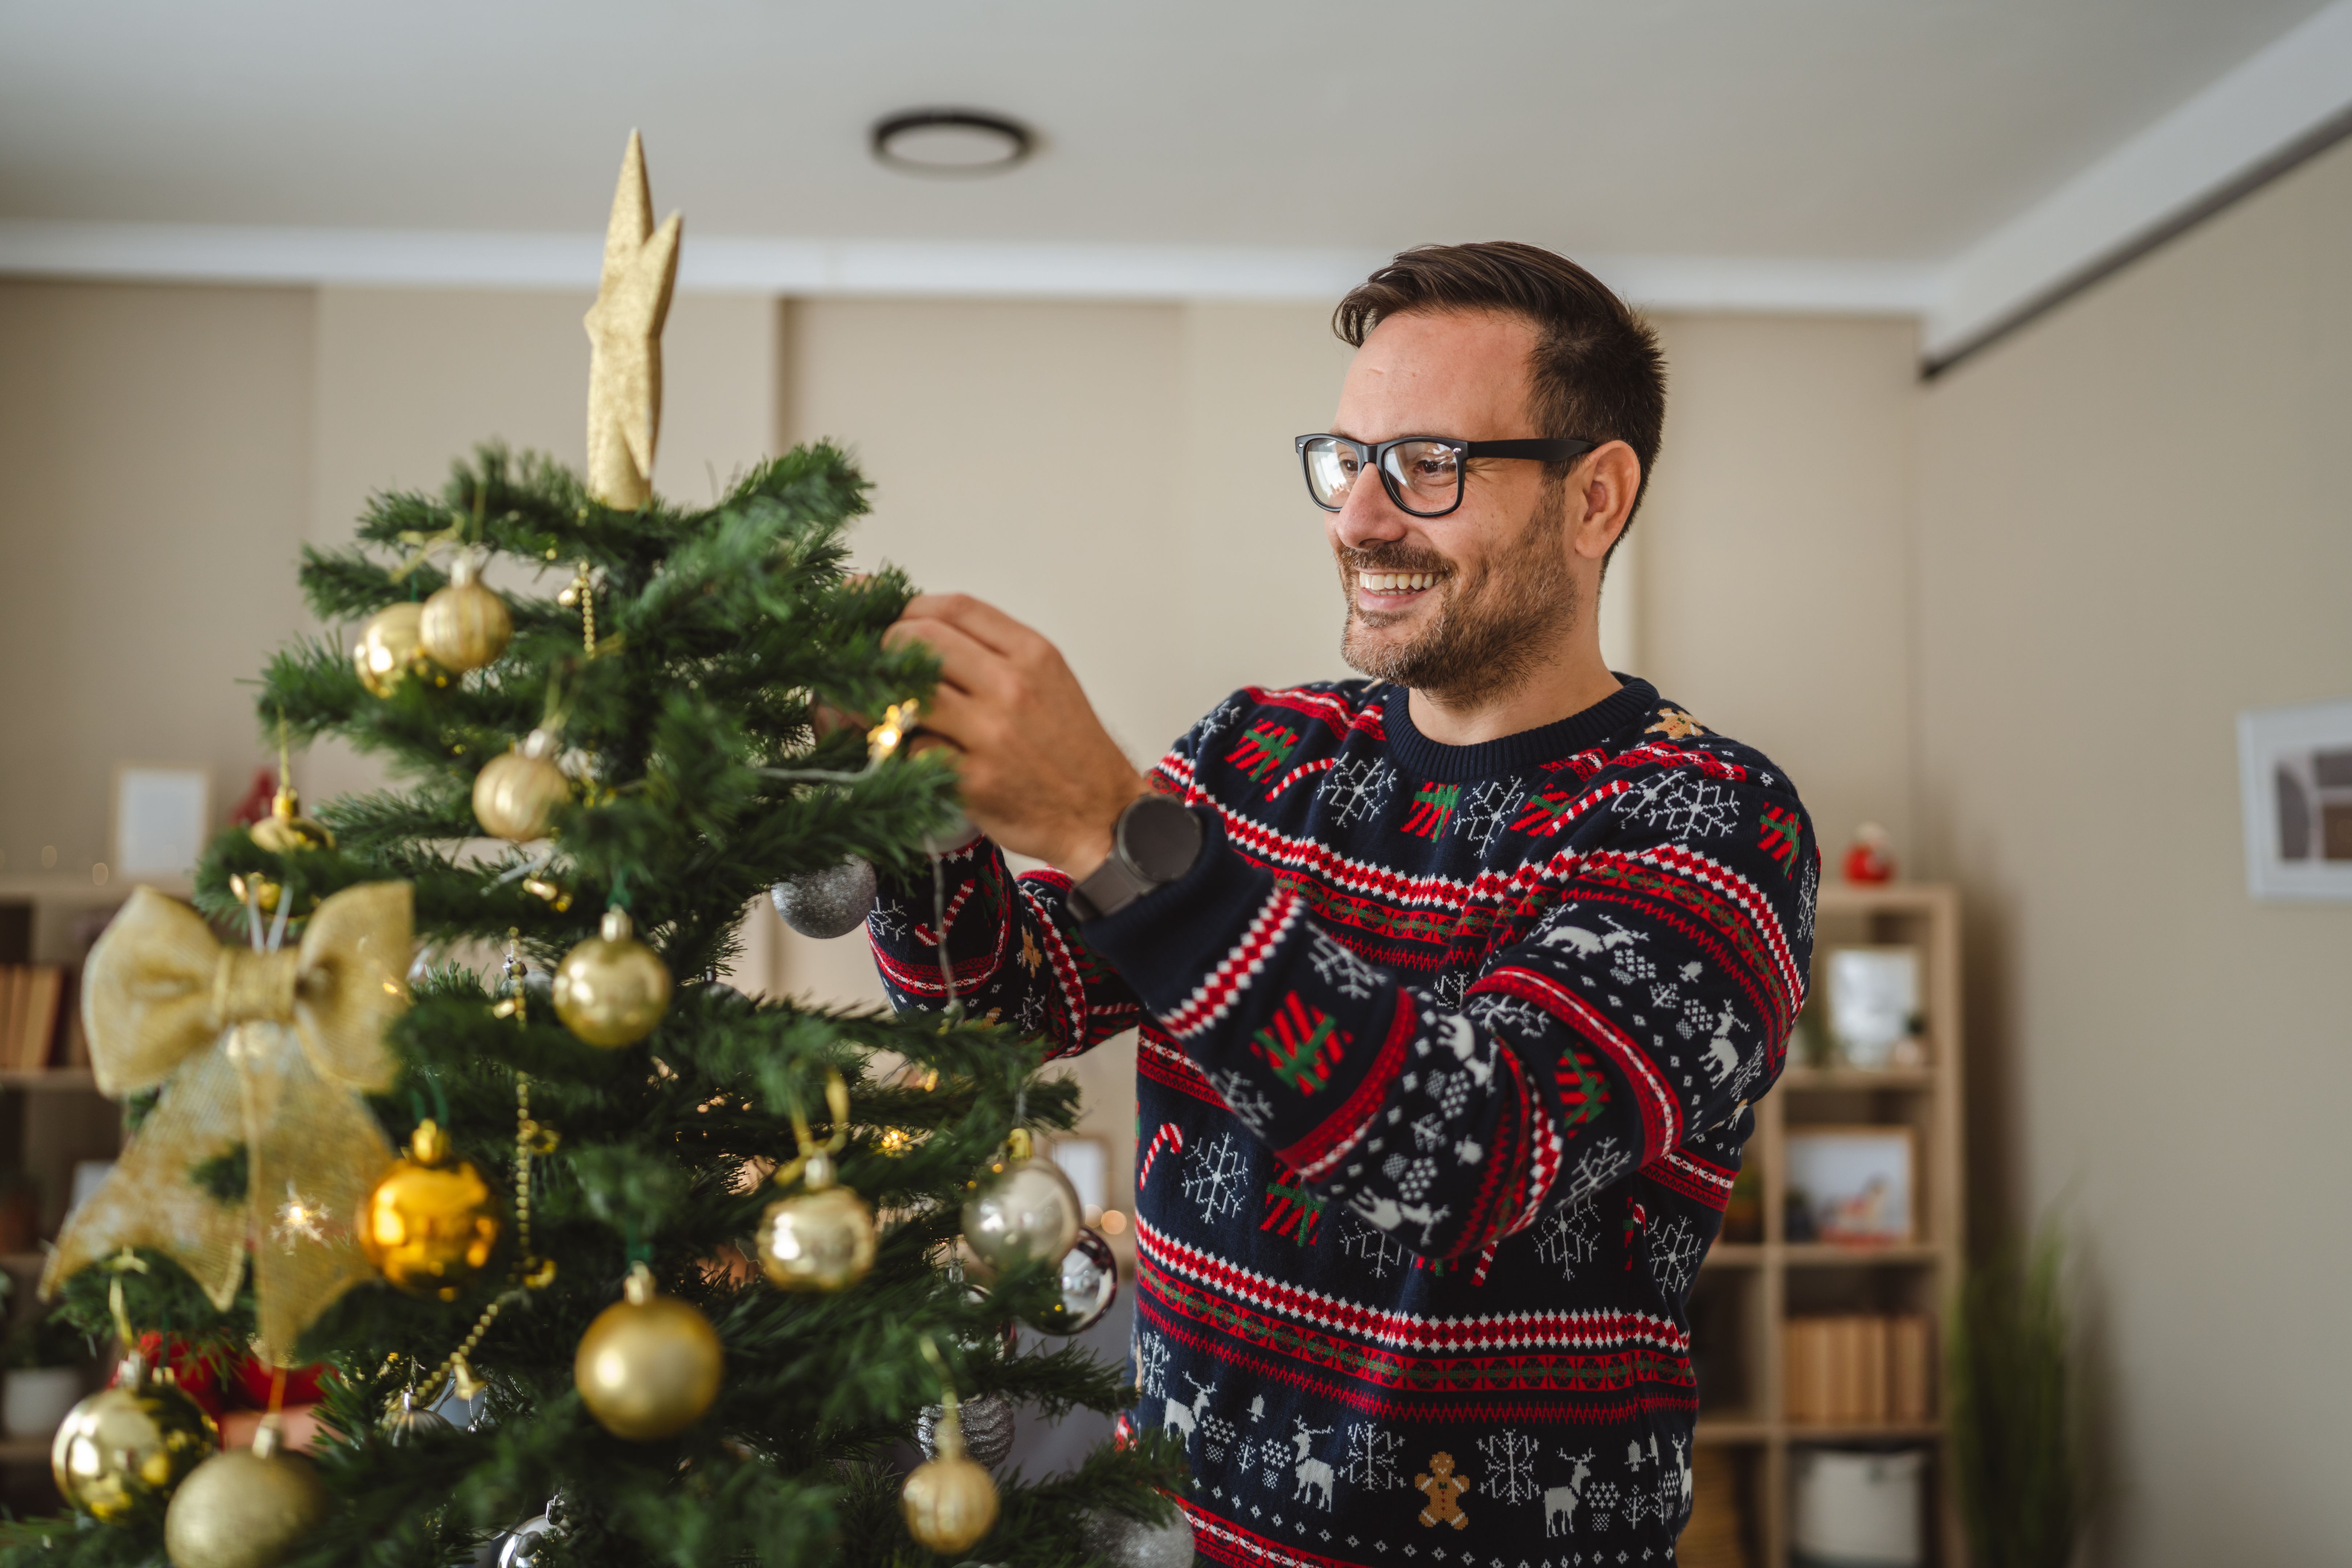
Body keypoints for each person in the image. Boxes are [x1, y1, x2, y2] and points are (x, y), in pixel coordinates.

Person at [866, 241, 1816, 1566]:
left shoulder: (1712, 820)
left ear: (1595, 498)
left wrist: (1106, 830)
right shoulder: (1257, 752)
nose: (1360, 519)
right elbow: (998, 1010)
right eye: (1347, 459)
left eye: (1428, 465)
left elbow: (1470, 1154)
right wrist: (919, 813)